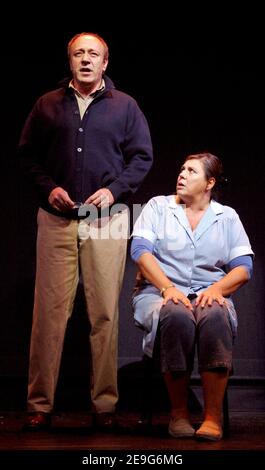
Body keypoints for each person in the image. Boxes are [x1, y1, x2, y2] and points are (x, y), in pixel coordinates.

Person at [19, 32, 153, 431]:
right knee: (49, 315)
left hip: (105, 221)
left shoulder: (125, 106)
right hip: (56, 219)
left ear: (106, 62)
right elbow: (26, 157)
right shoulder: (48, 104)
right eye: (79, 53)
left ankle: (104, 406)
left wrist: (113, 190)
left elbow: (142, 157)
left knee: (105, 314)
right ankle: (39, 404)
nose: (86, 59)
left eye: (93, 54)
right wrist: (49, 188)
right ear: (69, 60)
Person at [131, 152, 253, 441]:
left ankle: (212, 418)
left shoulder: (227, 217)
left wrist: (216, 289)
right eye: (181, 169)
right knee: (175, 313)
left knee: (215, 315)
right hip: (159, 290)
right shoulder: (158, 207)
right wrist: (168, 288)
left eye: (191, 171)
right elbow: (140, 251)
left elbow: (243, 268)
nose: (181, 175)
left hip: (208, 292)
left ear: (209, 182)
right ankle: (179, 413)